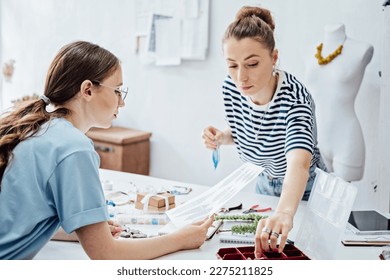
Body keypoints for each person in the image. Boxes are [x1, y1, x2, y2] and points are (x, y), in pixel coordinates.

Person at [0, 41, 213, 260]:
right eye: (118, 91)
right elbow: (105, 254)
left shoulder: (39, 129)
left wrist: (85, 229)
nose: (121, 103)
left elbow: (24, 220)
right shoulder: (73, 148)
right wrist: (181, 239)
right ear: (88, 90)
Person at [202, 6, 326, 256]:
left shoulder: (296, 99)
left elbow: (299, 163)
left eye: (252, 64)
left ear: (274, 57)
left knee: (305, 253)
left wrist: (284, 212)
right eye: (232, 65)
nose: (241, 77)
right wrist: (223, 137)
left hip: (304, 190)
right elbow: (248, 127)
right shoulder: (231, 88)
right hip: (264, 180)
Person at [304, 23, 374, 182]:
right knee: (313, 201)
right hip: (314, 137)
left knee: (342, 201)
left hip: (345, 138)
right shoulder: (311, 50)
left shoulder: (361, 49)